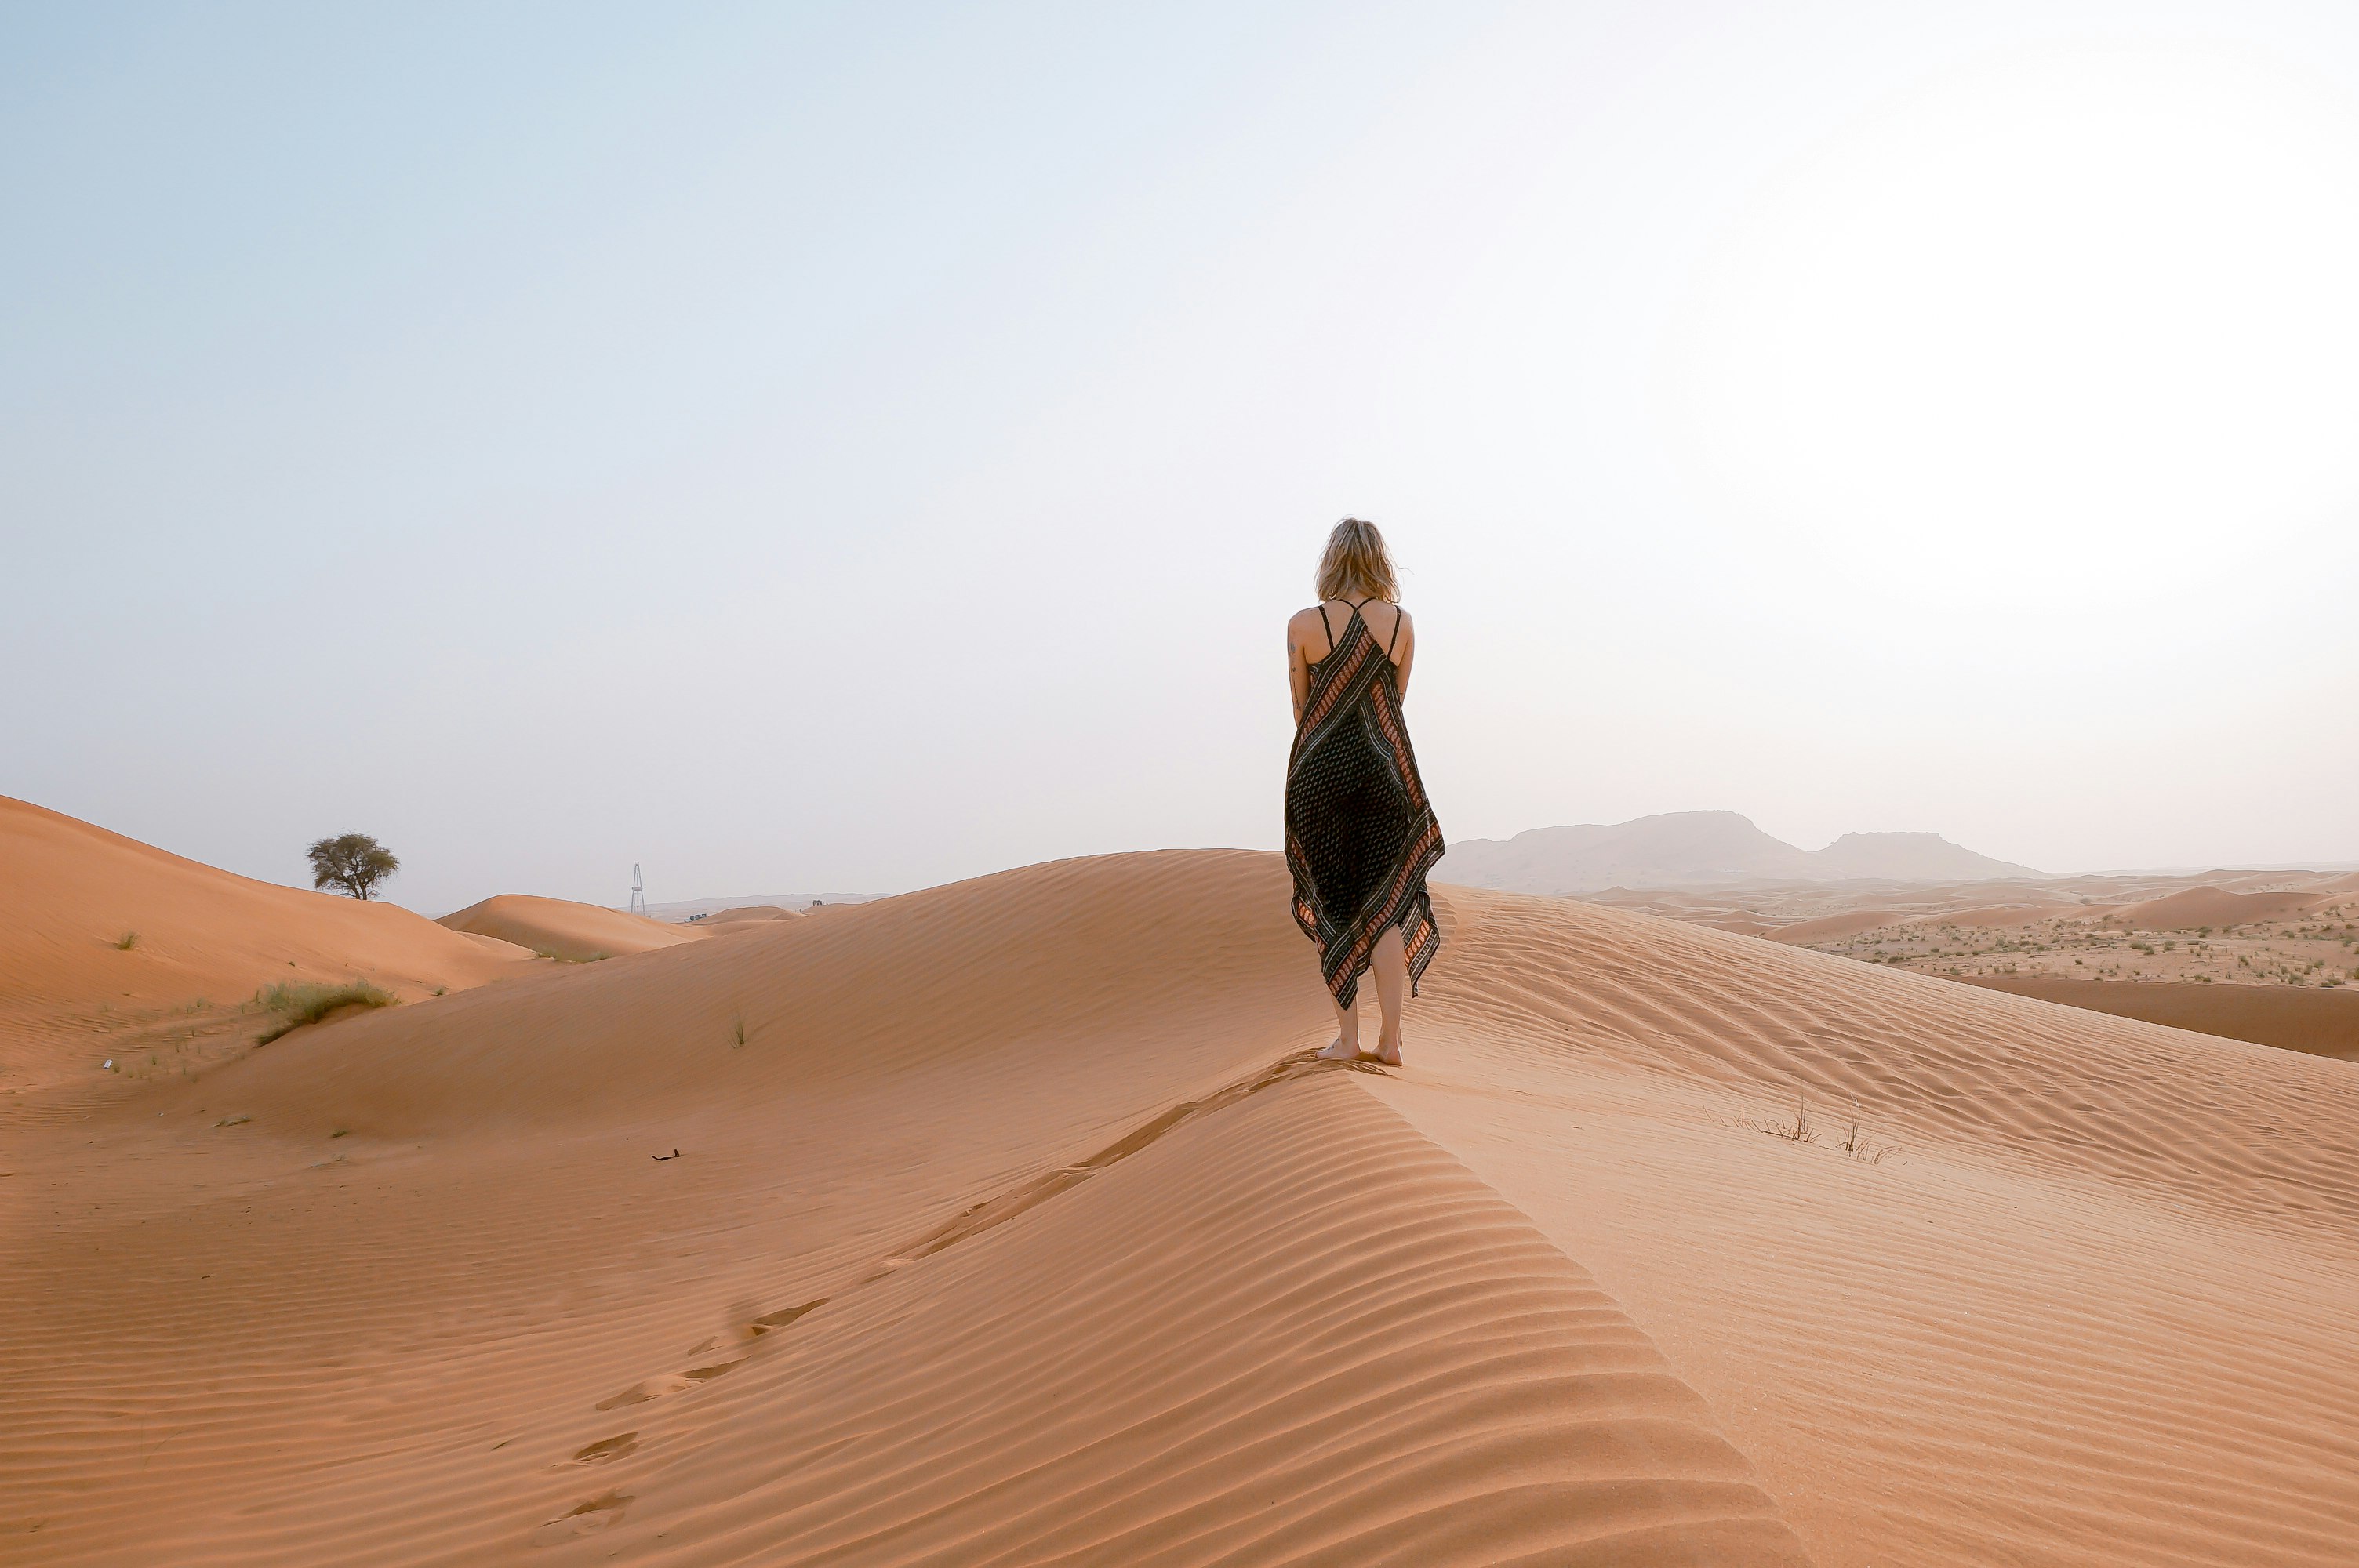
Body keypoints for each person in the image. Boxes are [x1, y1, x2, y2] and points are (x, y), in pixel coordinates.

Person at [1284, 518, 1444, 1065]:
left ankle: (1348, 1039)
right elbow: (1394, 703)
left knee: (1335, 904)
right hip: (1385, 776)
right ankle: (1392, 1040)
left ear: (1331, 560)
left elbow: (1303, 712)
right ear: (1380, 560)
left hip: (1320, 780)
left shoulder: (1302, 625)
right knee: (1387, 907)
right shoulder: (1402, 625)